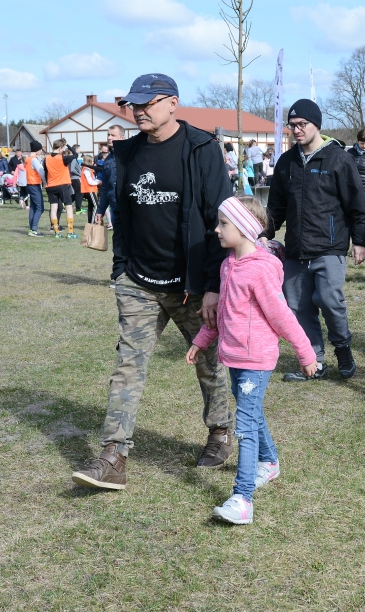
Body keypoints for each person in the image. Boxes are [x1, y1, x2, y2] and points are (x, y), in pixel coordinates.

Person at [71, 73, 234, 491]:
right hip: (138, 282)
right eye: (134, 105)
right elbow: (121, 213)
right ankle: (113, 456)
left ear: (172, 103)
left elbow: (221, 219)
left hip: (192, 285)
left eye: (148, 103)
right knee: (128, 365)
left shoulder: (202, 149)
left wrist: (214, 284)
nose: (138, 111)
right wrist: (121, 268)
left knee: (210, 362)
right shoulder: (125, 152)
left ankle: (220, 433)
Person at [187, 196, 318, 525]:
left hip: (256, 360)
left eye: (224, 224)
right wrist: (201, 341)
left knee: (244, 426)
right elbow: (222, 313)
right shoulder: (228, 264)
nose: (216, 230)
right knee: (251, 412)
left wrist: (305, 352)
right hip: (234, 357)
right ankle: (269, 462)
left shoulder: (259, 270)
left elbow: (282, 316)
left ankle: (243, 498)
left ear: (245, 228)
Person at [263, 98, 365, 381]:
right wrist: (263, 234)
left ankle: (343, 349)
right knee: (298, 307)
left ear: (316, 125)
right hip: (296, 249)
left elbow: (357, 203)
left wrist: (361, 240)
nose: (297, 130)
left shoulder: (339, 159)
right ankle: (315, 362)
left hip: (329, 247)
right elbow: (276, 207)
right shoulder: (286, 162)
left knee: (328, 299)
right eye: (292, 125)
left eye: (302, 124)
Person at [44, 139, 78, 239]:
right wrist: (68, 145)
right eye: (62, 149)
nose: (62, 150)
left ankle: (56, 232)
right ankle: (70, 232)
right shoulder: (63, 158)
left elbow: (46, 172)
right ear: (59, 148)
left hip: (51, 186)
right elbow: (76, 154)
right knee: (68, 207)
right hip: (63, 185)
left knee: (53, 208)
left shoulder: (46, 158)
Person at [24, 142, 46, 236]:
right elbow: (41, 172)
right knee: (40, 208)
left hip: (29, 184)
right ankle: (33, 229)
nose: (41, 151)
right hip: (34, 185)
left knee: (33, 207)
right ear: (37, 149)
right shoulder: (34, 160)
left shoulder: (28, 159)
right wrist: (46, 182)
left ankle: (31, 229)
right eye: (40, 149)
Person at [80, 159, 100, 224]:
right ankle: (92, 222)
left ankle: (90, 222)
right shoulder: (86, 170)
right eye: (92, 161)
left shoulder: (87, 169)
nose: (93, 162)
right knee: (96, 206)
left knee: (90, 207)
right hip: (89, 189)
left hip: (90, 189)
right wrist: (99, 182)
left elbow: (93, 179)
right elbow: (90, 181)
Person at [69, 144, 83, 213]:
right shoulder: (74, 159)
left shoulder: (74, 158)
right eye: (79, 149)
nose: (80, 150)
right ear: (76, 149)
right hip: (75, 178)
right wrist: (79, 174)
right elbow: (72, 169)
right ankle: (78, 209)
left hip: (74, 178)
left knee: (76, 193)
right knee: (79, 193)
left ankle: (66, 203)